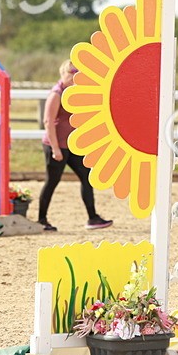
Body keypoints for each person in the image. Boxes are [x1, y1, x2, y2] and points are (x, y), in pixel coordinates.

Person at [38, 59, 113, 231]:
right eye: (71, 73)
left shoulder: (76, 94)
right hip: (56, 145)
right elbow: (48, 122)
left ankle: (93, 218)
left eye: (77, 73)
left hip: (73, 145)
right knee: (52, 182)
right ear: (63, 73)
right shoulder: (56, 94)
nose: (74, 77)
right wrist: (56, 149)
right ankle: (42, 220)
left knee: (87, 177)